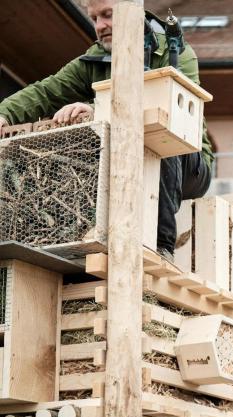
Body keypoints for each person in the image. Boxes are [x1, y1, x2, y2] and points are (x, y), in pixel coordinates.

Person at [0, 0, 213, 260]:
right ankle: (82, 239)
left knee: (159, 131)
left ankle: (160, 246)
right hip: (122, 155)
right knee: (74, 141)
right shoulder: (94, 59)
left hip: (188, 164)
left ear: (134, 13)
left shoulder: (176, 51)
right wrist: (4, 113)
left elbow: (169, 108)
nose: (100, 25)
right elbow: (46, 92)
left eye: (108, 15)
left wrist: (97, 109)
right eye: (94, 18)